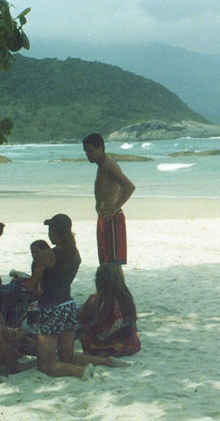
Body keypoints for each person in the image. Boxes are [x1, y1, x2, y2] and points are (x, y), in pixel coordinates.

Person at [23, 215, 126, 378]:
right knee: (68, 357)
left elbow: (31, 284)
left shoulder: (48, 255)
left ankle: (80, 371)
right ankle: (107, 362)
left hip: (51, 308)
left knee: (45, 365)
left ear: (55, 233)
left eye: (50, 231)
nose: (49, 235)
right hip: (67, 305)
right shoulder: (74, 254)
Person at [84, 134, 136, 267]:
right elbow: (118, 188)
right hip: (104, 218)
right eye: (86, 151)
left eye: (90, 151)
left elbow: (129, 187)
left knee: (113, 264)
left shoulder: (109, 166)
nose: (87, 155)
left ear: (100, 148)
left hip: (112, 218)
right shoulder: (102, 166)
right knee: (106, 263)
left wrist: (114, 208)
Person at [77, 263, 139, 358]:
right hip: (129, 346)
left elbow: (80, 319)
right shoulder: (126, 298)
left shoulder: (95, 299)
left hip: (103, 347)